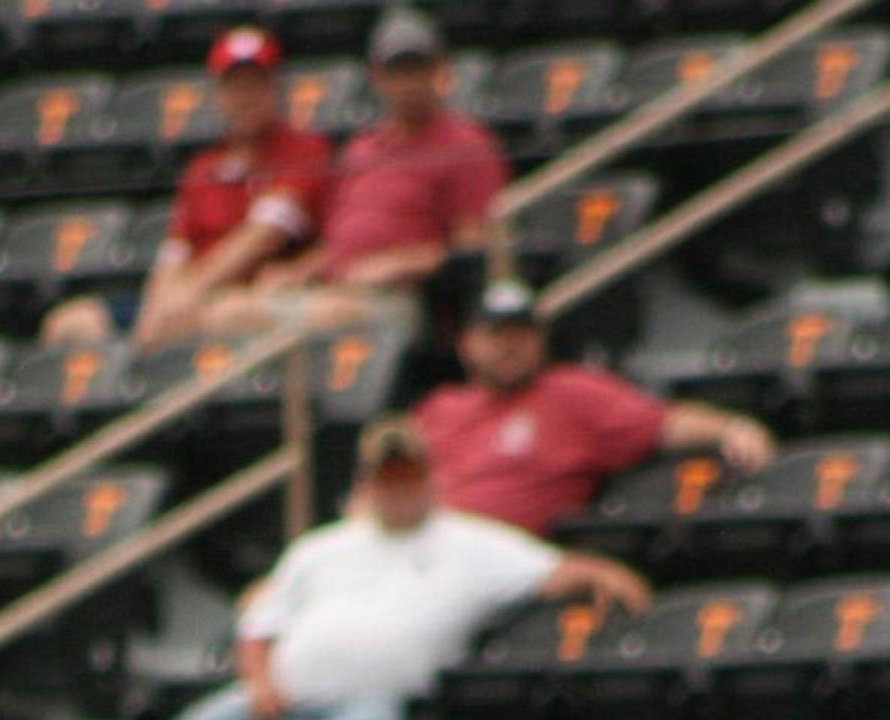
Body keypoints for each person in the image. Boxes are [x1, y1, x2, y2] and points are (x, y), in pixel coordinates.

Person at [153, 414, 650, 720]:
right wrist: (260, 682)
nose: (398, 483)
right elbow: (260, 624)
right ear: (368, 481)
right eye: (386, 474)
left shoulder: (470, 541)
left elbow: (558, 569)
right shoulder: (320, 547)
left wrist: (608, 577)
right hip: (283, 703)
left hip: (374, 703)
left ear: (427, 474)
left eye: (407, 471)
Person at [187, 7, 506, 339]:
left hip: (401, 298)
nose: (407, 83)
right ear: (376, 76)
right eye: (396, 71)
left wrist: (399, 264)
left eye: (416, 69)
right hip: (336, 288)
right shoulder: (363, 148)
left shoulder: (464, 144)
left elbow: (474, 250)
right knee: (226, 310)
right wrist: (296, 271)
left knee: (240, 316)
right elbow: (338, 240)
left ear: (439, 70)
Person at [45, 26, 332, 353]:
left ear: (274, 88)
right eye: (234, 86)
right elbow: (174, 252)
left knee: (223, 316)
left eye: (255, 84)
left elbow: (261, 237)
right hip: (191, 296)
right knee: (71, 323)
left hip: (246, 292)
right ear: (218, 93)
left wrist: (190, 295)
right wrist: (158, 306)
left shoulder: (303, 149)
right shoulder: (204, 166)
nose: (244, 97)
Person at [414, 277, 776, 536]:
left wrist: (732, 428)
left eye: (521, 333)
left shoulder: (571, 392)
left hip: (506, 556)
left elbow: (662, 422)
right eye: (497, 335)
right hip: (422, 543)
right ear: (467, 343)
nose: (511, 345)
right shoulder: (439, 408)